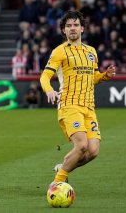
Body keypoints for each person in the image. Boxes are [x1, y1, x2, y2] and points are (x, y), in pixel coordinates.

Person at [40, 10, 116, 185]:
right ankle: (57, 183)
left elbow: (93, 77)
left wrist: (104, 76)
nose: (72, 28)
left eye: (75, 25)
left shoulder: (91, 52)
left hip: (89, 107)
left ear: (82, 28)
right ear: (63, 31)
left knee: (93, 151)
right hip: (69, 105)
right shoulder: (59, 52)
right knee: (81, 146)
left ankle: (63, 167)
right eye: (68, 26)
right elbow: (44, 76)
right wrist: (49, 90)